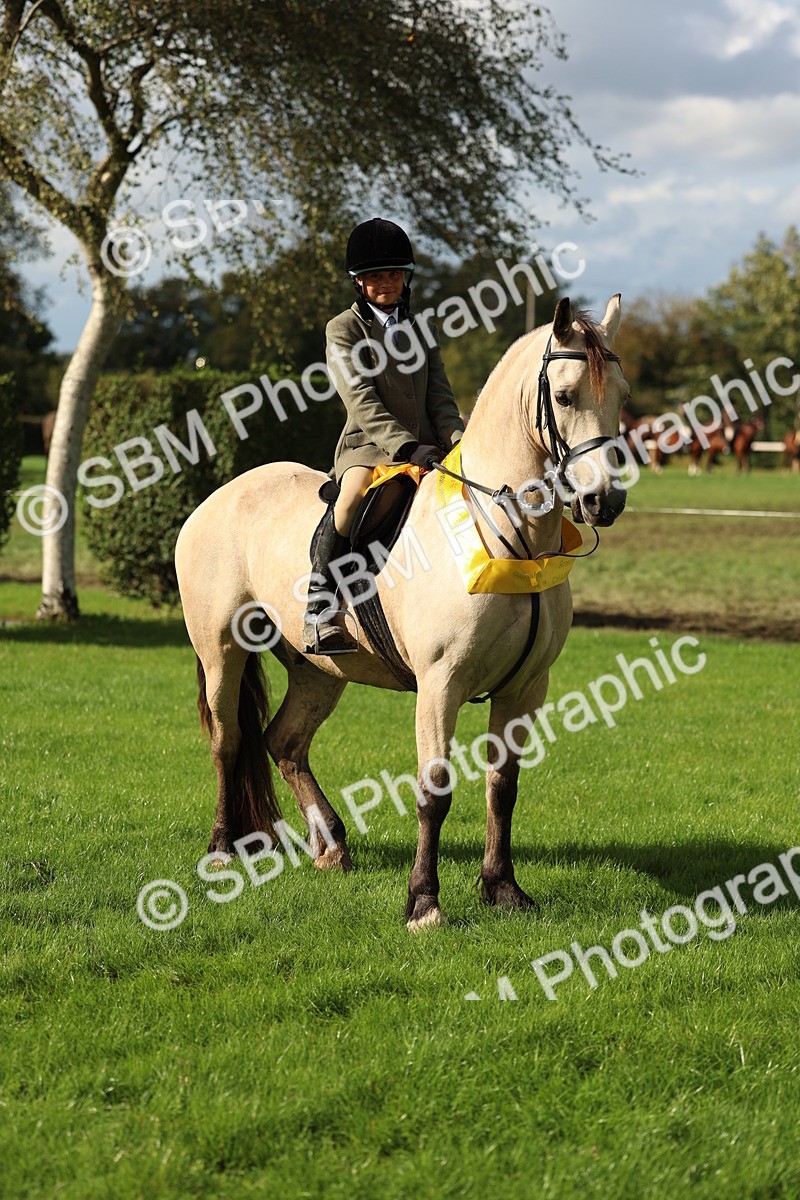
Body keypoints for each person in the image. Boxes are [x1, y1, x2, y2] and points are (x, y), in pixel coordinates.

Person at [302, 217, 465, 654]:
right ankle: (319, 604)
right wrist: (405, 446)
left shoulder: (421, 328)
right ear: (359, 282)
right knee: (352, 497)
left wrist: (458, 441)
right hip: (370, 447)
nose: (387, 284)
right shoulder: (344, 330)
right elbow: (360, 399)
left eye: (394, 274)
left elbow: (440, 397)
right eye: (376, 276)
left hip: (429, 449)